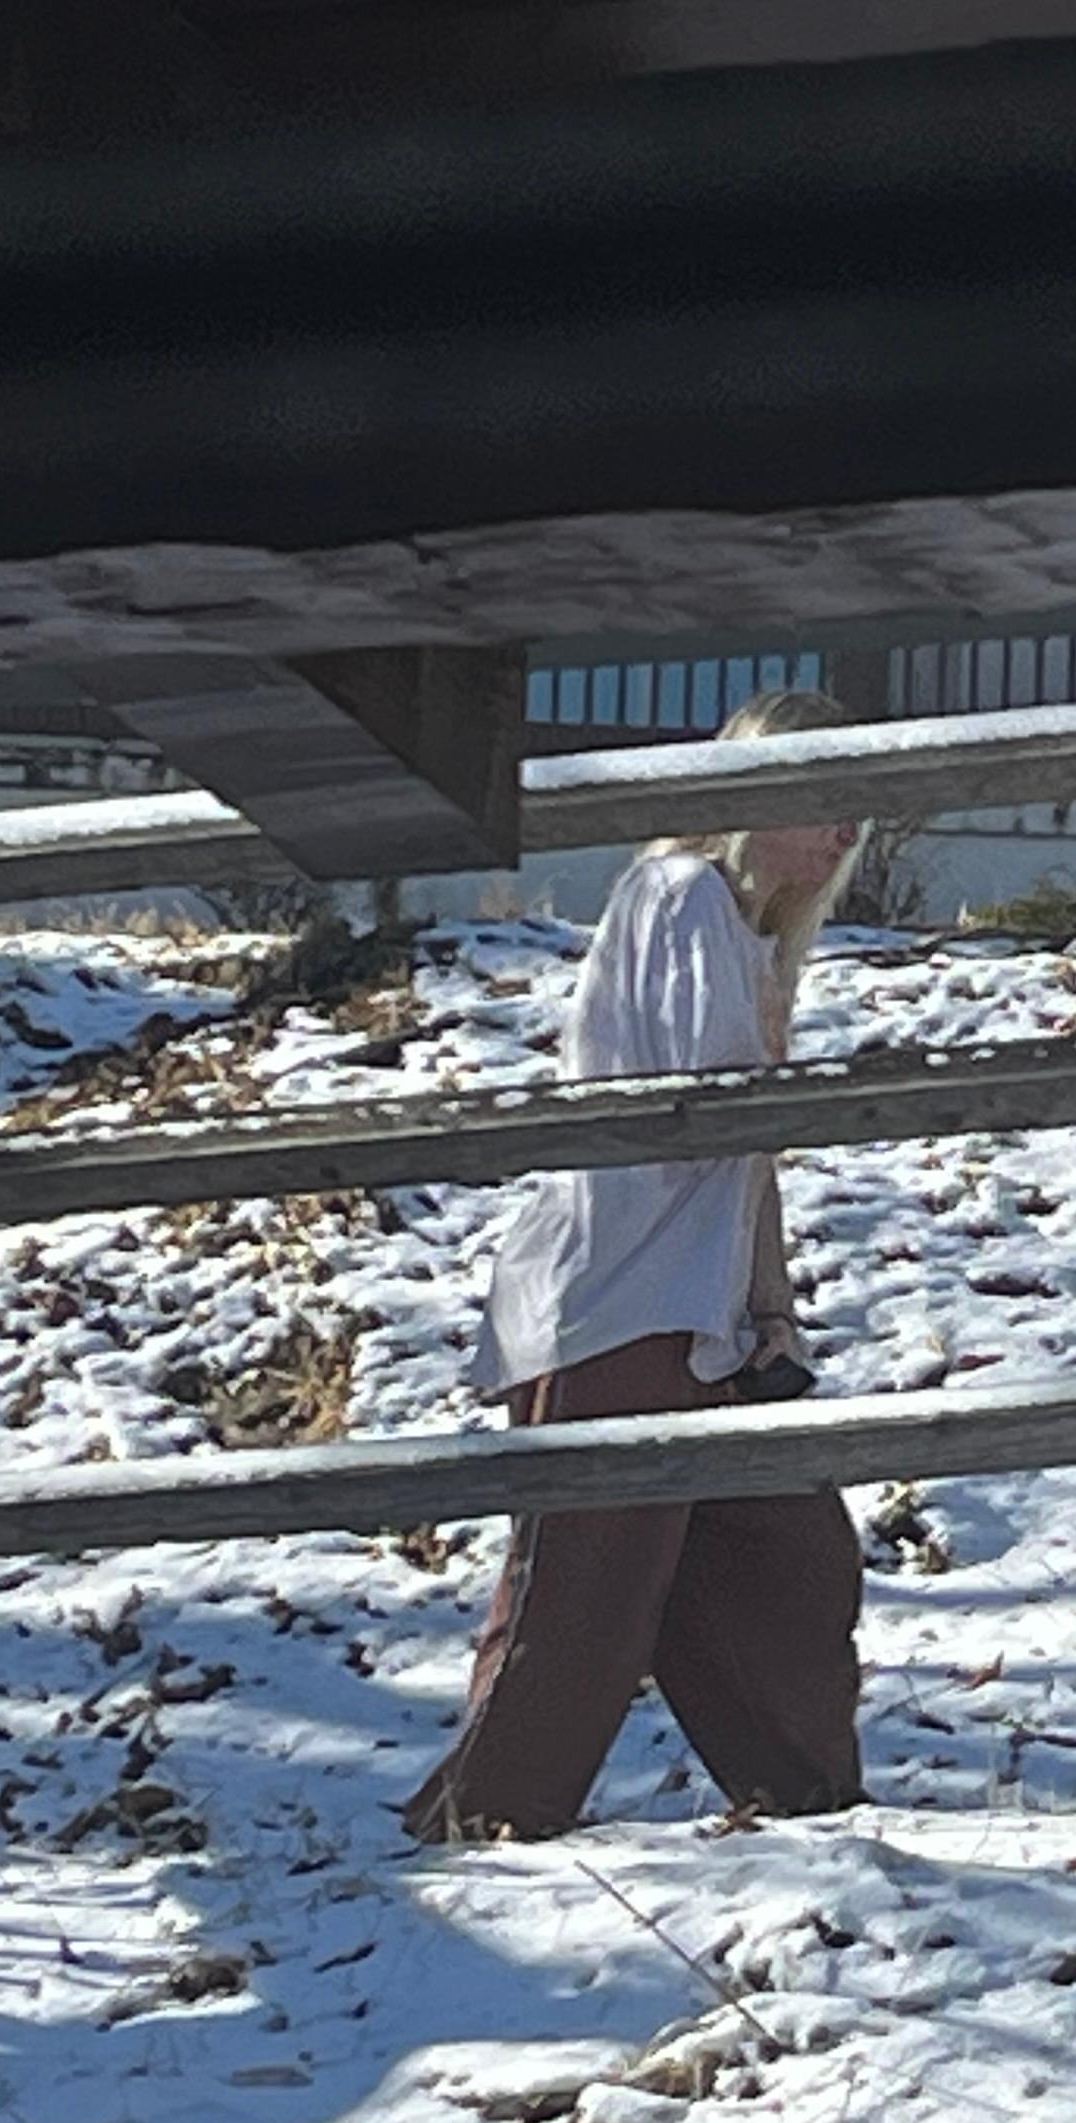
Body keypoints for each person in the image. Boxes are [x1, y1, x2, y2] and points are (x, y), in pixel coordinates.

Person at [399, 688, 870, 1844]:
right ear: (751, 793)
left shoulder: (749, 934)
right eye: (822, 802)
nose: (846, 832)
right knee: (585, 1598)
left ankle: (811, 1808)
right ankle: (479, 1826)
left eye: (861, 808)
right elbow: (713, 1113)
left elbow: (743, 1150)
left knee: (789, 1557)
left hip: (700, 1318)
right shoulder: (681, 894)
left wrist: (769, 1314)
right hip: (617, 1304)